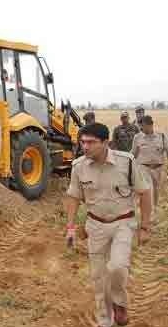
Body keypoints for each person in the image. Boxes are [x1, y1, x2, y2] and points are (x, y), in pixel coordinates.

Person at [65, 122, 152, 327]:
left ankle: (120, 302)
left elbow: (145, 192)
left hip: (123, 223)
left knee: (118, 267)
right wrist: (70, 228)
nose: (85, 147)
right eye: (82, 142)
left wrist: (145, 227)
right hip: (95, 226)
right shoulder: (78, 166)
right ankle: (106, 320)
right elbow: (73, 197)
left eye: (91, 142)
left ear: (105, 143)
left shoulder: (126, 162)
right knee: (98, 278)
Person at [131, 115, 167, 222]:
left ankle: (153, 211)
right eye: (141, 126)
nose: (142, 128)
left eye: (144, 126)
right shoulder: (137, 137)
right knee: (148, 190)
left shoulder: (161, 136)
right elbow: (133, 154)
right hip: (143, 168)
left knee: (155, 192)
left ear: (150, 125)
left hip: (158, 169)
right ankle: (148, 217)